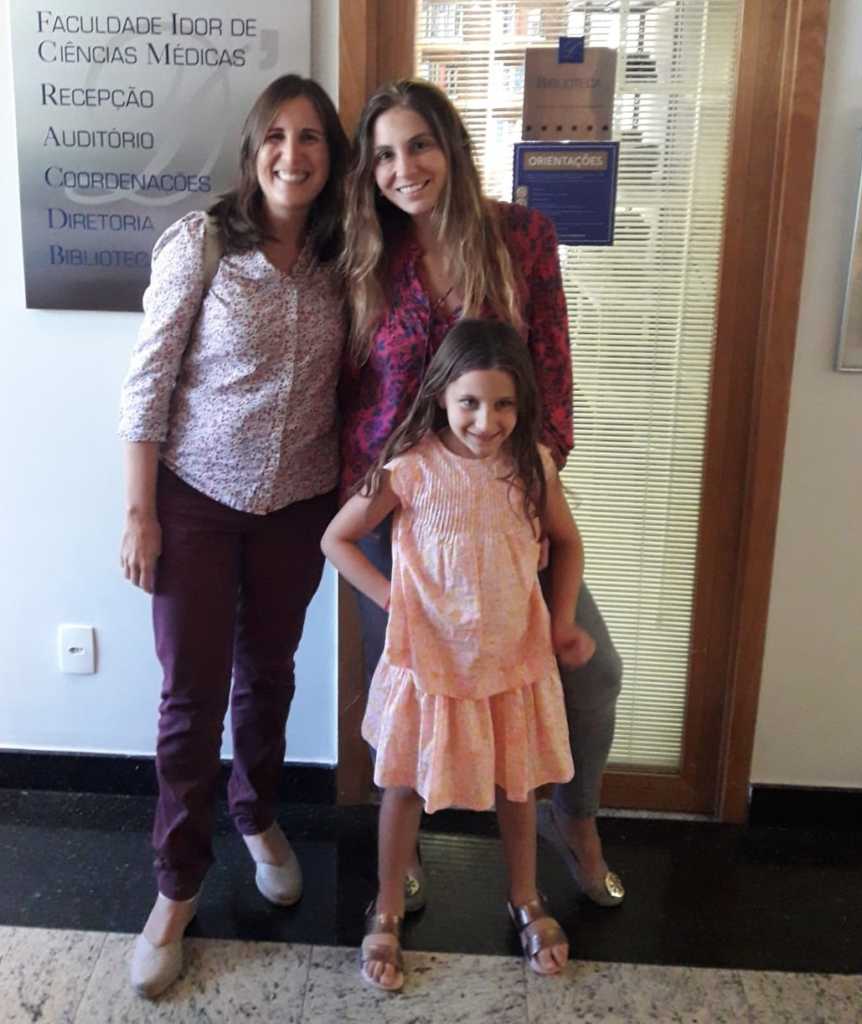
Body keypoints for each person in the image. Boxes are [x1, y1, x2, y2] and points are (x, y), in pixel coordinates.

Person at [340, 79, 624, 915]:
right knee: (408, 696)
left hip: (503, 505)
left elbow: (552, 370)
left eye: (418, 145)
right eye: (383, 155)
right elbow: (349, 388)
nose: (403, 168)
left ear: (451, 148)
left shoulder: (520, 237)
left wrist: (529, 480)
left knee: (590, 675)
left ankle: (575, 822)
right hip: (403, 517)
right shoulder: (364, 254)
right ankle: (402, 851)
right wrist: (369, 491)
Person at [118, 73, 349, 999]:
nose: (293, 154)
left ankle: (256, 815)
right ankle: (175, 887)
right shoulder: (204, 242)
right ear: (254, 150)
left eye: (311, 138)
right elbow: (147, 380)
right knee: (191, 696)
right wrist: (140, 512)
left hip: (299, 505)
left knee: (269, 675)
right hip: (196, 501)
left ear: (331, 157)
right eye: (277, 137)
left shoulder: (345, 255)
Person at [323, 320, 596, 990]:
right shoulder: (410, 468)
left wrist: (562, 621)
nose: (485, 420)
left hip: (511, 658)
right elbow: (337, 540)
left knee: (518, 786)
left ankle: (525, 896)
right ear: (441, 394)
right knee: (402, 785)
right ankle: (387, 905)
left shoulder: (532, 465)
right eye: (469, 402)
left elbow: (567, 543)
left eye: (503, 404)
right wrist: (393, 599)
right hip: (429, 661)